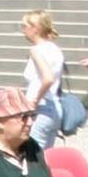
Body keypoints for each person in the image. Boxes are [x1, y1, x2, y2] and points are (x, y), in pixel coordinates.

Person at [22, 11, 71, 147]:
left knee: (34, 156)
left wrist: (35, 100)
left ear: (35, 28)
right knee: (46, 156)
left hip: (41, 107)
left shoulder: (36, 50)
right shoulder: (55, 49)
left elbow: (47, 78)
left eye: (25, 26)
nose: (23, 31)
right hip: (54, 107)